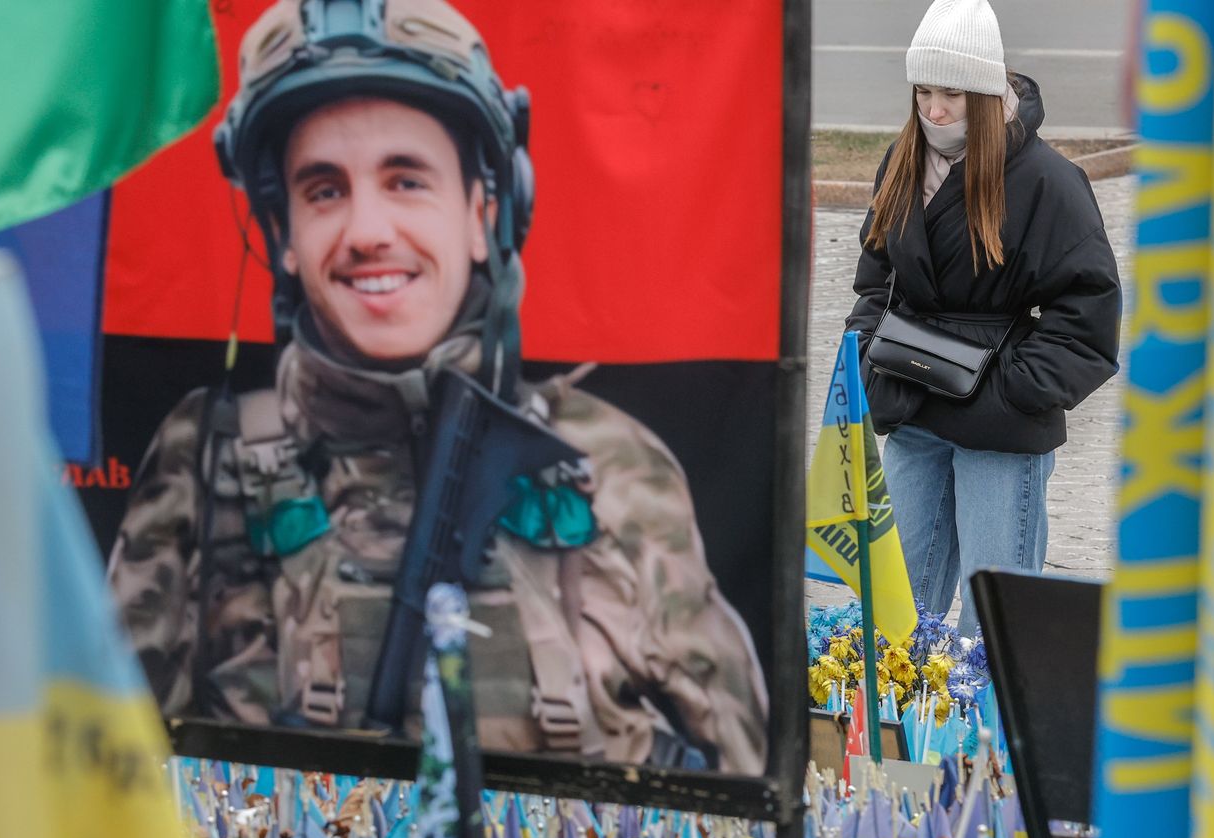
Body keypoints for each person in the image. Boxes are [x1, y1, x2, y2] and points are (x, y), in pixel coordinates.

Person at [108, 0, 767, 775]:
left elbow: (744, 783)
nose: (367, 231)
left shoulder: (609, 462)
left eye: (406, 180)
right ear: (282, 234)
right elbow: (103, 776)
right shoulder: (204, 458)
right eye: (324, 190)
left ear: (484, 211)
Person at [845, 0, 1122, 635]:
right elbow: (875, 278)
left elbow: (1088, 312)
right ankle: (901, 733)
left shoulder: (1050, 181)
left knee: (992, 626)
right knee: (892, 616)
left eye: (951, 94)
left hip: (1001, 424)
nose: (932, 109)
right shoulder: (902, 162)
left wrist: (1013, 390)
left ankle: (993, 737)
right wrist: (867, 358)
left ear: (986, 92)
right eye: (922, 90)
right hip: (912, 402)